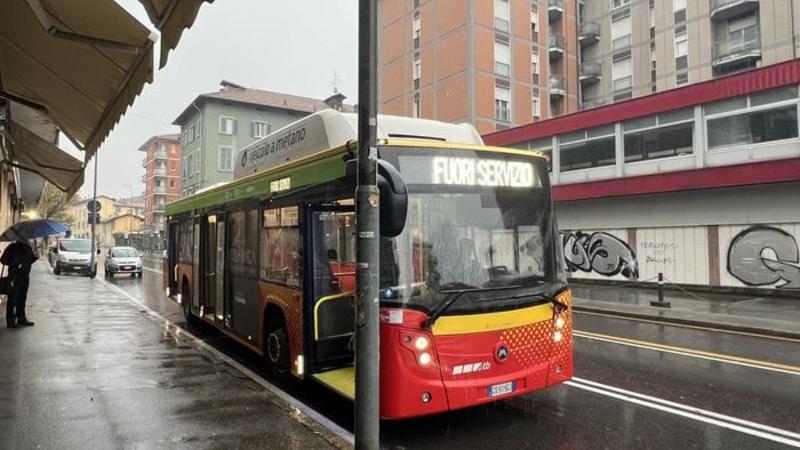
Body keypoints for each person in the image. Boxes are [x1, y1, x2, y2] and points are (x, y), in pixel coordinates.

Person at [2, 240, 38, 328]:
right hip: (15, 276)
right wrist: (16, 263)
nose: (27, 239)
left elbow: (30, 260)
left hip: (25, 276)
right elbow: (3, 260)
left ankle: (21, 319)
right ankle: (11, 321)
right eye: (25, 237)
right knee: (13, 299)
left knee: (22, 298)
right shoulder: (13, 247)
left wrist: (35, 257)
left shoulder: (28, 248)